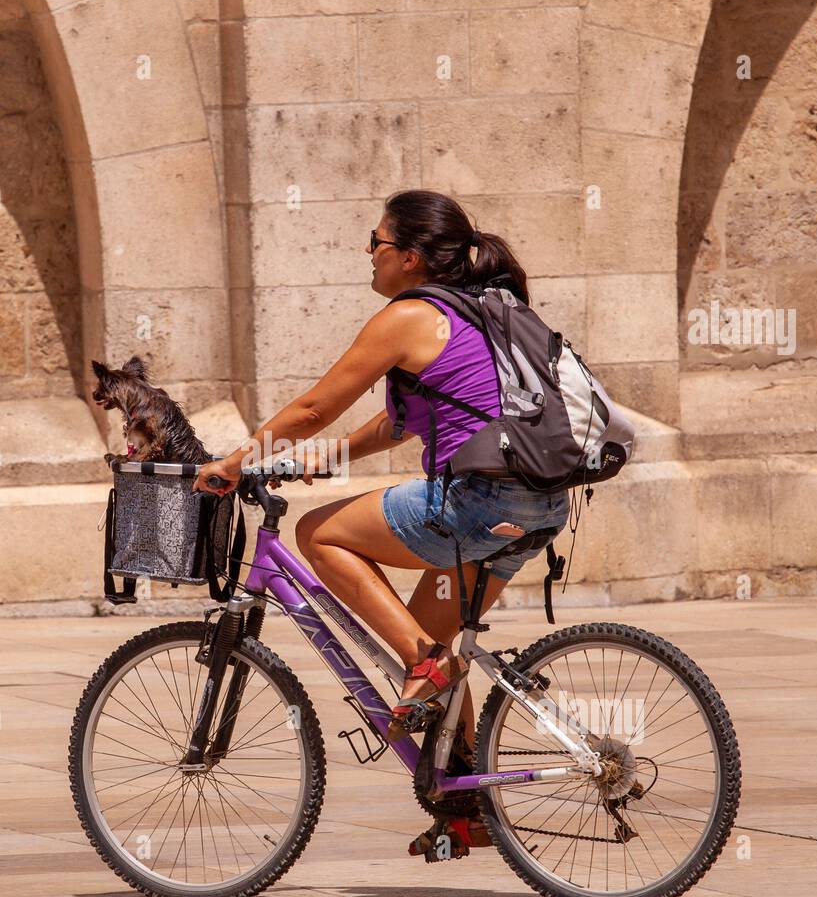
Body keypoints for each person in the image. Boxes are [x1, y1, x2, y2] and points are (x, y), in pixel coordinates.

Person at [193, 188, 571, 849]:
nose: (367, 256)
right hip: (537, 505)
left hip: (477, 503)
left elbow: (315, 405)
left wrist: (236, 459)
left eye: (375, 242)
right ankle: (468, 809)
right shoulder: (485, 309)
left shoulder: (410, 315)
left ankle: (428, 666)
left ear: (410, 256)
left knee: (318, 533)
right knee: (429, 643)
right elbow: (399, 422)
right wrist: (328, 457)